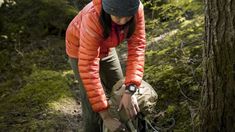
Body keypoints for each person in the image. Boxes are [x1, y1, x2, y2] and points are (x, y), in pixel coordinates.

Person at [65, 0, 146, 131]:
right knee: (91, 102)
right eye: (118, 17)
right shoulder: (92, 17)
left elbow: (137, 47)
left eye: (128, 16)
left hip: (105, 45)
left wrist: (130, 90)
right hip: (79, 47)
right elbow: (88, 69)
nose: (124, 21)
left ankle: (128, 128)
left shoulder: (136, 9)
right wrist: (106, 116)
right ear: (107, 10)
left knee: (120, 89)